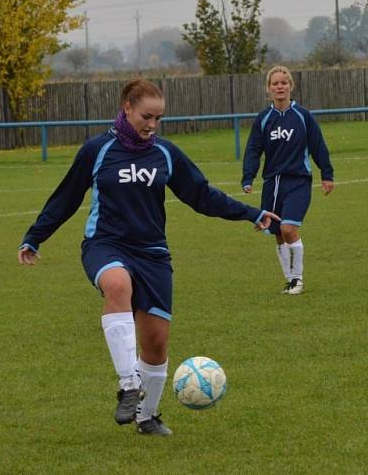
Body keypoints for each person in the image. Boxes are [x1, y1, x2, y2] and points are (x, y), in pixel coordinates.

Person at [17, 79, 279, 435]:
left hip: (152, 253)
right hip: (105, 244)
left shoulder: (165, 153)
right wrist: (35, 236)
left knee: (155, 345)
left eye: (158, 118)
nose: (152, 125)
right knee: (117, 284)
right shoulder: (97, 150)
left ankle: (147, 417)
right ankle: (128, 384)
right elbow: (66, 197)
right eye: (146, 116)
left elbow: (201, 196)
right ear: (127, 107)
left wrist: (251, 213)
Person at [241, 65, 335, 295]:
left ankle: (298, 280)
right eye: (275, 83)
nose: (280, 86)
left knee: (289, 227)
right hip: (272, 184)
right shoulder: (264, 119)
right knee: (278, 233)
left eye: (284, 82)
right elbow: (253, 149)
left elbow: (317, 145)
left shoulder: (303, 116)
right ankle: (289, 279)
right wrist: (248, 177)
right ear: (268, 89)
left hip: (298, 181)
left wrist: (327, 173)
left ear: (291, 86)